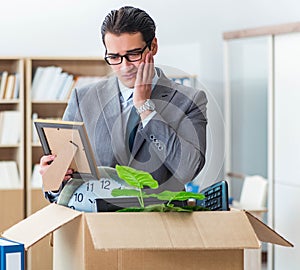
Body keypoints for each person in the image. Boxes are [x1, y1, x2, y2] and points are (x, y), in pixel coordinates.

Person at [40, 6, 208, 203]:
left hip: (160, 224)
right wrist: (54, 178)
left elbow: (187, 170)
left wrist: (145, 106)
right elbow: (63, 179)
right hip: (96, 224)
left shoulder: (189, 100)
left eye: (134, 54)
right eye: (114, 57)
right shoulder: (83, 98)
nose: (125, 66)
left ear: (153, 46)